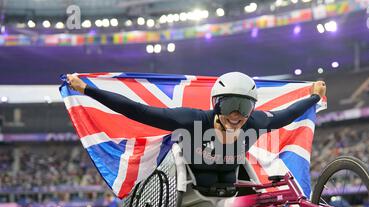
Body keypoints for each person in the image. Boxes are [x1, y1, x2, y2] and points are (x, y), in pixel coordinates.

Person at [66, 72, 326, 192]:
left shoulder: (254, 122)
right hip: (191, 181)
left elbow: (286, 116)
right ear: (216, 104)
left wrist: (314, 97)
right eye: (230, 105)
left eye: (244, 106)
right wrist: (87, 90)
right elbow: (137, 110)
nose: (237, 115)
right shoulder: (191, 120)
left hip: (229, 181)